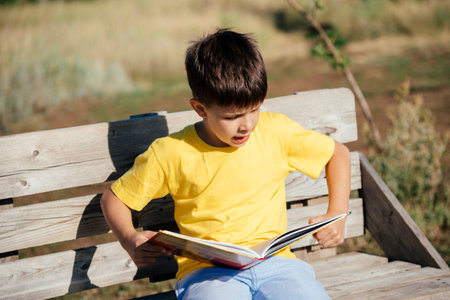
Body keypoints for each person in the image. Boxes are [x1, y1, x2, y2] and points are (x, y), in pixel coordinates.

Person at [100, 28, 350, 300]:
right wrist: (129, 239)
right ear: (200, 109)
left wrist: (336, 214)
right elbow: (114, 199)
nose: (247, 125)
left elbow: (337, 154)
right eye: (232, 116)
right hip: (209, 275)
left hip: (279, 265)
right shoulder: (171, 153)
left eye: (255, 109)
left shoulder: (275, 132)